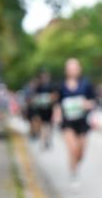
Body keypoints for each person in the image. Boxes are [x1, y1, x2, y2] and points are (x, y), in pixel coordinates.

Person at [56, 58, 96, 188]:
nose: (72, 70)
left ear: (79, 69)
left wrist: (87, 104)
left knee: (80, 153)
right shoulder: (61, 86)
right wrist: (57, 115)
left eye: (75, 68)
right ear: (66, 70)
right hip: (68, 122)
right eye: (70, 68)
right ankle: (73, 174)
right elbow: (57, 104)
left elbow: (94, 101)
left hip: (82, 122)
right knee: (72, 149)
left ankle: (75, 165)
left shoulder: (86, 84)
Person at [29, 71, 57, 150]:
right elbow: (34, 97)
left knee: (49, 125)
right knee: (42, 125)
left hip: (49, 109)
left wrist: (50, 99)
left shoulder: (51, 86)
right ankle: (43, 140)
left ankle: (47, 139)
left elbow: (55, 96)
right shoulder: (39, 87)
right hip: (41, 109)